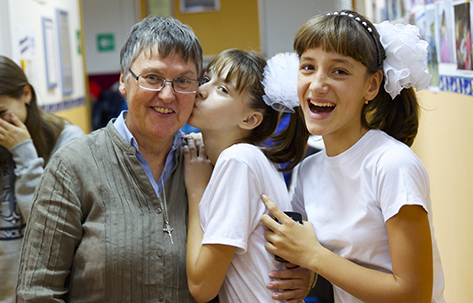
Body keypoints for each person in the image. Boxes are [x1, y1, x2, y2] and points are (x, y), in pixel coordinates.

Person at [16, 16, 311, 302]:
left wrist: (304, 274)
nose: (168, 95)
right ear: (123, 80)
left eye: (183, 81)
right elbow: (37, 292)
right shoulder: (73, 165)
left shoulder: (209, 162)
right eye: (153, 78)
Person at [259, 10, 446, 303]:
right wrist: (306, 275)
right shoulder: (308, 171)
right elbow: (326, 258)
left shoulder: (392, 164)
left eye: (339, 71)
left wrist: (315, 258)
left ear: (371, 85)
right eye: (308, 67)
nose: (318, 84)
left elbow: (413, 293)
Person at [183, 50, 309, 302]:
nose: (201, 90)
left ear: (250, 119)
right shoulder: (251, 158)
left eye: (222, 90)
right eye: (207, 79)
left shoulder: (238, 160)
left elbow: (201, 286)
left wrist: (197, 190)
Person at [0, 54, 84, 303]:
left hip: (58, 292)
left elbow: (50, 225)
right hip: (5, 293)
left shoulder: (68, 140)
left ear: (26, 94)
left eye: (0, 112)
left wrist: (23, 151)